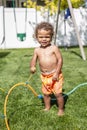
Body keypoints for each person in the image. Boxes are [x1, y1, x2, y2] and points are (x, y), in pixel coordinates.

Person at [30, 22, 64, 116]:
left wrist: (57, 73)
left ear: (51, 37)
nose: (44, 39)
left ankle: (61, 109)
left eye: (47, 37)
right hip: (44, 76)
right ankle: (47, 107)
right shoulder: (37, 50)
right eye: (41, 37)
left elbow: (60, 60)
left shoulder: (54, 48)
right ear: (36, 37)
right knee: (46, 94)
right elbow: (34, 60)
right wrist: (32, 66)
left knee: (58, 94)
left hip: (55, 75)